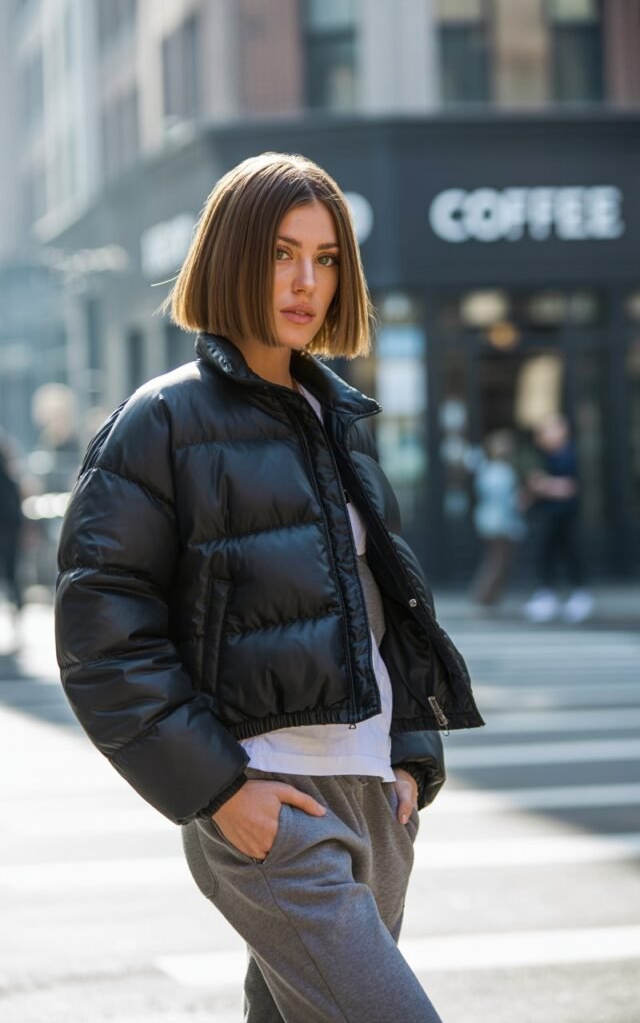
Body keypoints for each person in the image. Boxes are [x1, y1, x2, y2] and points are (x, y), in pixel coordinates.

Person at [55, 152, 484, 1023]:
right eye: (283, 253)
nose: (305, 282)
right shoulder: (161, 421)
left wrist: (411, 755)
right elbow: (103, 637)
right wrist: (219, 792)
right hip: (268, 798)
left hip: (373, 797)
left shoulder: (342, 422)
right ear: (232, 257)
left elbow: (387, 606)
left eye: (326, 259)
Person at [523, 413, 594, 624]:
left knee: (570, 553)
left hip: (565, 515)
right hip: (550, 515)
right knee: (547, 555)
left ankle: (579, 596)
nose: (543, 436)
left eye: (548, 430)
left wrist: (543, 485)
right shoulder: (545, 456)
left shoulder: (568, 455)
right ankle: (548, 596)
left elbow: (570, 487)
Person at [469, 429, 525, 607]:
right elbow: (508, 501)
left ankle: (488, 595)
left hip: (488, 520)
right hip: (500, 522)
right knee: (498, 560)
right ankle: (484, 595)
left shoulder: (486, 468)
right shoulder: (502, 471)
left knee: (495, 559)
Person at [0, 440, 24, 624]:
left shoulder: (10, 482)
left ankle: (17, 605)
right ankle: (18, 604)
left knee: (11, 572)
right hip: (11, 530)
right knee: (11, 572)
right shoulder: (11, 481)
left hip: (9, 530)